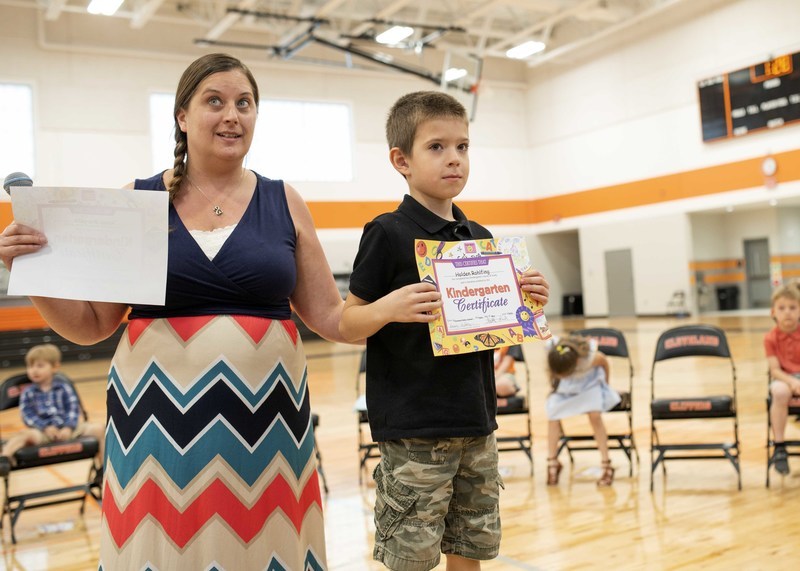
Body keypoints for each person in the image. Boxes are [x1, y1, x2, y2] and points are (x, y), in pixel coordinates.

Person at [0, 53, 346, 570]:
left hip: (269, 429)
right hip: (156, 428)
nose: (232, 115)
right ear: (182, 116)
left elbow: (332, 318)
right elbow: (92, 326)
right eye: (215, 101)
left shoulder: (285, 200)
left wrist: (404, 303)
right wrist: (30, 271)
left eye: (244, 103)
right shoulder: (138, 201)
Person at [339, 91, 550, 571]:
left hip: (476, 420)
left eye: (462, 146)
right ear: (402, 161)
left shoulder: (481, 238)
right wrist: (389, 308)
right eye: (436, 147)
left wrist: (527, 300)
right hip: (415, 428)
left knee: (470, 549)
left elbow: (497, 330)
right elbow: (348, 323)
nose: (454, 158)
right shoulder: (387, 232)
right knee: (410, 559)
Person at [0, 344, 104, 468]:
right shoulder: (27, 392)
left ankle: (103, 467)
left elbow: (73, 410)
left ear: (55, 367)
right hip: (42, 432)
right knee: (23, 435)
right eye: (30, 366)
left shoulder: (64, 388)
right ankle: (4, 459)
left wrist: (68, 428)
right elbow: (28, 416)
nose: (34, 370)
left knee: (100, 429)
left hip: (70, 429)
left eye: (40, 366)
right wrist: (45, 427)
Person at [545, 334, 620, 487]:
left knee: (595, 415)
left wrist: (606, 385)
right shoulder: (553, 352)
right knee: (552, 413)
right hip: (565, 388)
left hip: (589, 385)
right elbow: (552, 372)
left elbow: (605, 362)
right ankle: (552, 462)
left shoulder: (590, 358)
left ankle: (606, 463)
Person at [764, 283, 800, 476]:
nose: (787, 312)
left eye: (793, 308)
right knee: (779, 392)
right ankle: (779, 446)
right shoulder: (770, 338)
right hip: (783, 378)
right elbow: (774, 370)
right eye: (782, 308)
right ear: (773, 312)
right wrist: (792, 382)